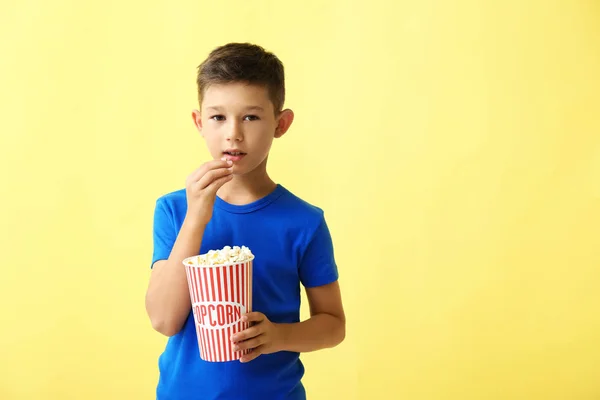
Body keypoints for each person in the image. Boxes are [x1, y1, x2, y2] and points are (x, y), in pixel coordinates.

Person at [145, 42, 346, 400]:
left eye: (251, 117)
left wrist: (279, 336)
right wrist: (196, 218)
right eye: (218, 117)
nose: (233, 133)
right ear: (199, 122)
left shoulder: (304, 222)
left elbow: (333, 325)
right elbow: (163, 320)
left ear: (280, 124)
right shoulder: (175, 210)